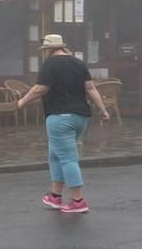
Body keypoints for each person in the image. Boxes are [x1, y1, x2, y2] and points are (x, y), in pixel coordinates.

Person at [17, 34, 109, 214]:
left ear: (49, 50)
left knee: (68, 158)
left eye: (45, 50)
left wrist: (22, 102)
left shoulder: (50, 64)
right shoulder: (78, 63)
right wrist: (103, 110)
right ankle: (55, 196)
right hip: (80, 117)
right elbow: (90, 88)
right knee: (55, 154)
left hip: (59, 117)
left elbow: (40, 89)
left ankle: (78, 201)